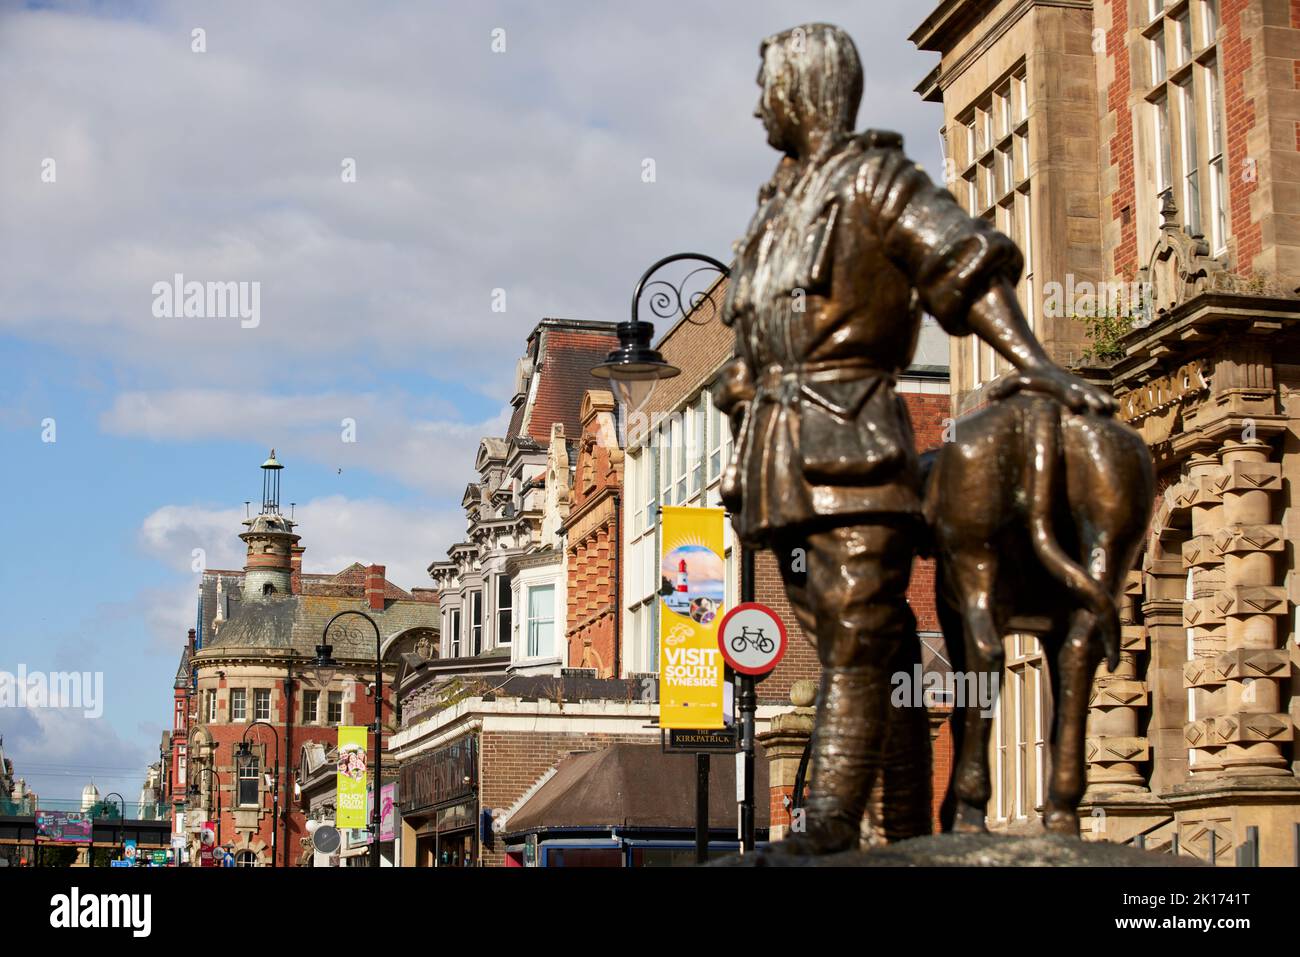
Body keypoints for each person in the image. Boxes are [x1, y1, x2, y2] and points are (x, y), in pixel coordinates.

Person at [715, 22, 1113, 853]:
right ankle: (897, 821)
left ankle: (826, 818)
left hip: (853, 440)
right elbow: (752, 327)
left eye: (768, 89)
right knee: (853, 639)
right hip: (777, 459)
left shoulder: (877, 181)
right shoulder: (777, 204)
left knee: (858, 628)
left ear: (802, 92)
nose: (757, 108)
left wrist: (1039, 364)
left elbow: (962, 269)